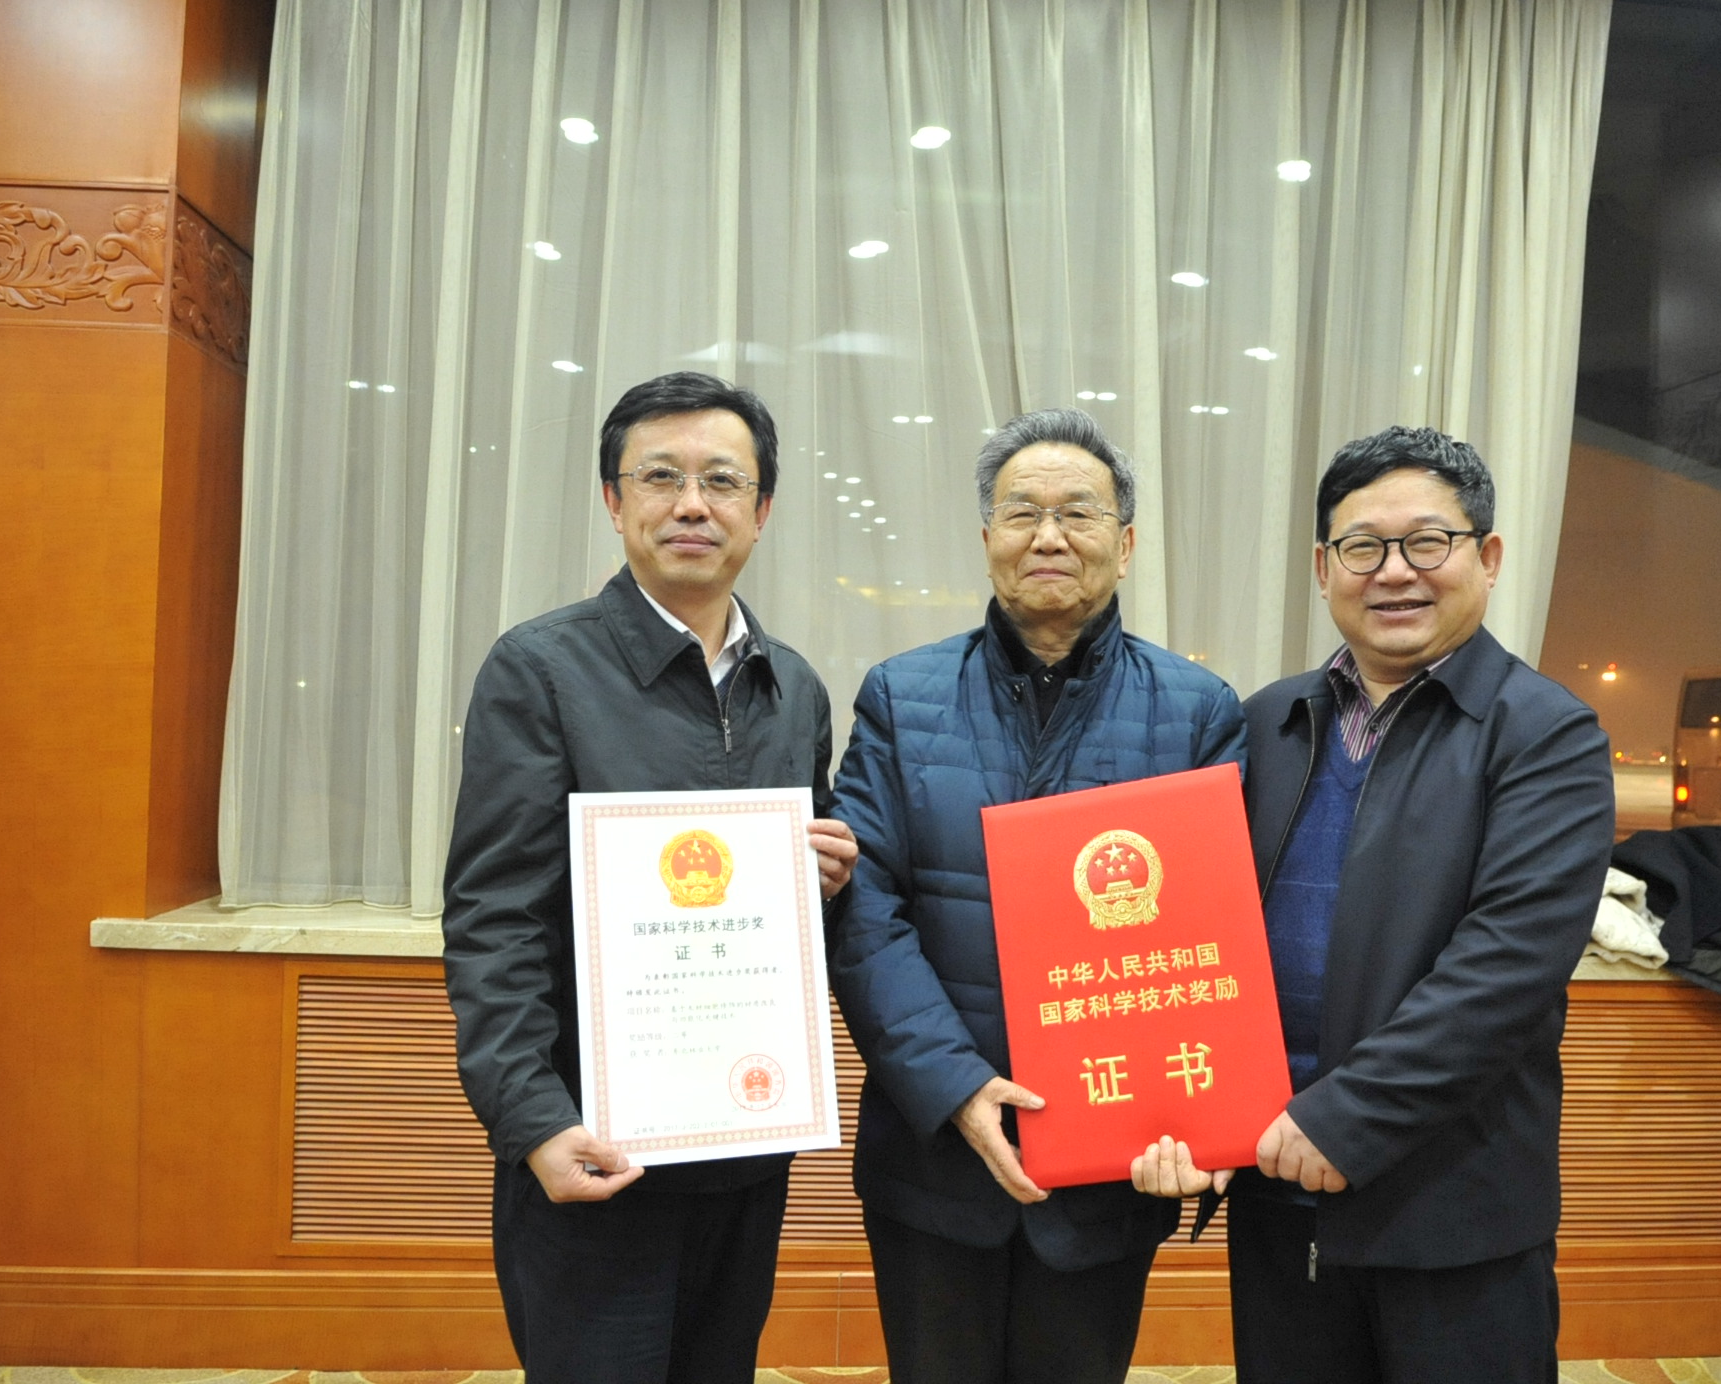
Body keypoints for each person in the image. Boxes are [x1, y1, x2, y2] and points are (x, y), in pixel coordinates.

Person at [1134, 425, 1614, 1382]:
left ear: (1488, 557)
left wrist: (1343, 1121)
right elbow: (1189, 930)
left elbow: (1504, 970)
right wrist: (1177, 1105)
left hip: (1452, 1207)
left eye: (1428, 542)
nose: (1394, 571)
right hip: (1277, 1192)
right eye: (1362, 546)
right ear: (1324, 569)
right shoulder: (1268, 722)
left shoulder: (1545, 734)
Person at [442, 371, 859, 1384]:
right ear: (612, 499)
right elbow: (494, 919)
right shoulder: (541, 670)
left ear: (761, 509)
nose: (691, 504)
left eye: (722, 481)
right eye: (661, 477)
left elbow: (781, 911)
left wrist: (821, 883)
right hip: (596, 1145)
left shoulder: (794, 687)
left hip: (743, 1140)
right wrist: (534, 1120)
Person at [829, 408, 1247, 1384]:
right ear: (988, 539)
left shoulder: (1198, 712)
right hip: (933, 1157)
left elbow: (1218, 931)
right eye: (1022, 513)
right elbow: (864, 910)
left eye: (1078, 513)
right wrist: (955, 1085)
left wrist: (1202, 1115)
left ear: (1125, 544)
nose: (1049, 536)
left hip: (1113, 1160)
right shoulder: (900, 696)